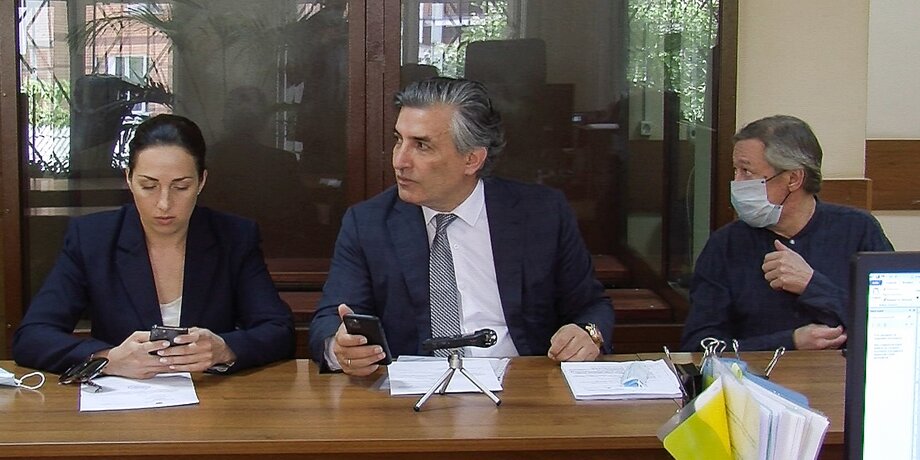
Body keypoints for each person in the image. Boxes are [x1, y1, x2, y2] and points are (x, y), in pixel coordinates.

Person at [309, 77, 614, 375]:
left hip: (520, 386)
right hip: (412, 394)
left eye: (421, 145)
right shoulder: (368, 223)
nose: (399, 161)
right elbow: (330, 319)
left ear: (472, 160)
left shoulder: (541, 214)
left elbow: (591, 307)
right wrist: (339, 347)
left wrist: (588, 333)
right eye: (398, 140)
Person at [13, 114, 295, 378]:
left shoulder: (233, 237)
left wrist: (224, 349)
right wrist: (107, 358)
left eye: (181, 187)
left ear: (201, 182)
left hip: (210, 398)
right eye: (149, 186)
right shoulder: (93, 238)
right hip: (121, 400)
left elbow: (278, 330)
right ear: (129, 179)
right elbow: (32, 336)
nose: (164, 203)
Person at [680, 115, 893, 352]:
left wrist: (812, 285)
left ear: (793, 178)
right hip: (756, 376)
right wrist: (789, 343)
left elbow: (894, 324)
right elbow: (699, 345)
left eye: (746, 171)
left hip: (842, 374)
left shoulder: (858, 230)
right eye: (735, 171)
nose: (736, 182)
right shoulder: (725, 244)